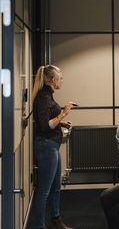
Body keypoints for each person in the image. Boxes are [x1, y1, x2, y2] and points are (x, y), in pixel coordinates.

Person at [32, 65, 76, 229]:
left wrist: (61, 121)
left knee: (56, 186)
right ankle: (39, 226)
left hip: (52, 145)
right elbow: (45, 126)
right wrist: (63, 113)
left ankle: (56, 220)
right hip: (46, 145)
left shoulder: (48, 96)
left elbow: (50, 119)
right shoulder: (43, 97)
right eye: (61, 78)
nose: (62, 81)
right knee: (44, 189)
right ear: (53, 80)